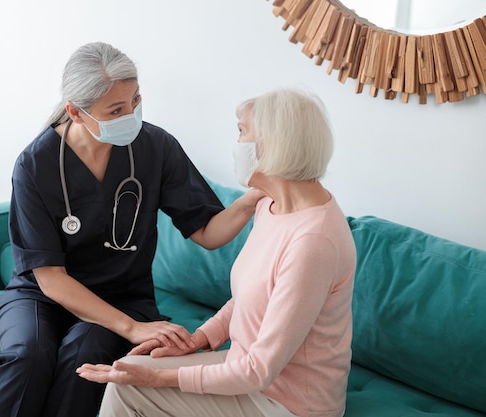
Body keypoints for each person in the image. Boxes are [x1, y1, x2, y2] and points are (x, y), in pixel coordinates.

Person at [0, 42, 262, 417]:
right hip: (41, 296)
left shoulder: (155, 148)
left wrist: (252, 198)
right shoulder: (35, 165)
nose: (131, 114)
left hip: (122, 295)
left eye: (135, 100)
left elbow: (206, 232)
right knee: (25, 357)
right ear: (75, 113)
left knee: (85, 359)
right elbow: (50, 278)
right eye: (116, 110)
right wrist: (131, 329)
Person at [77, 88, 357, 417]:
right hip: (250, 374)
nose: (237, 144)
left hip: (287, 403)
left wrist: (159, 379)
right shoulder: (269, 204)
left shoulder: (313, 242)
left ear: (273, 144)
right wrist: (201, 338)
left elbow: (258, 370)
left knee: (129, 388)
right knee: (127, 370)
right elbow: (253, 297)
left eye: (242, 131)